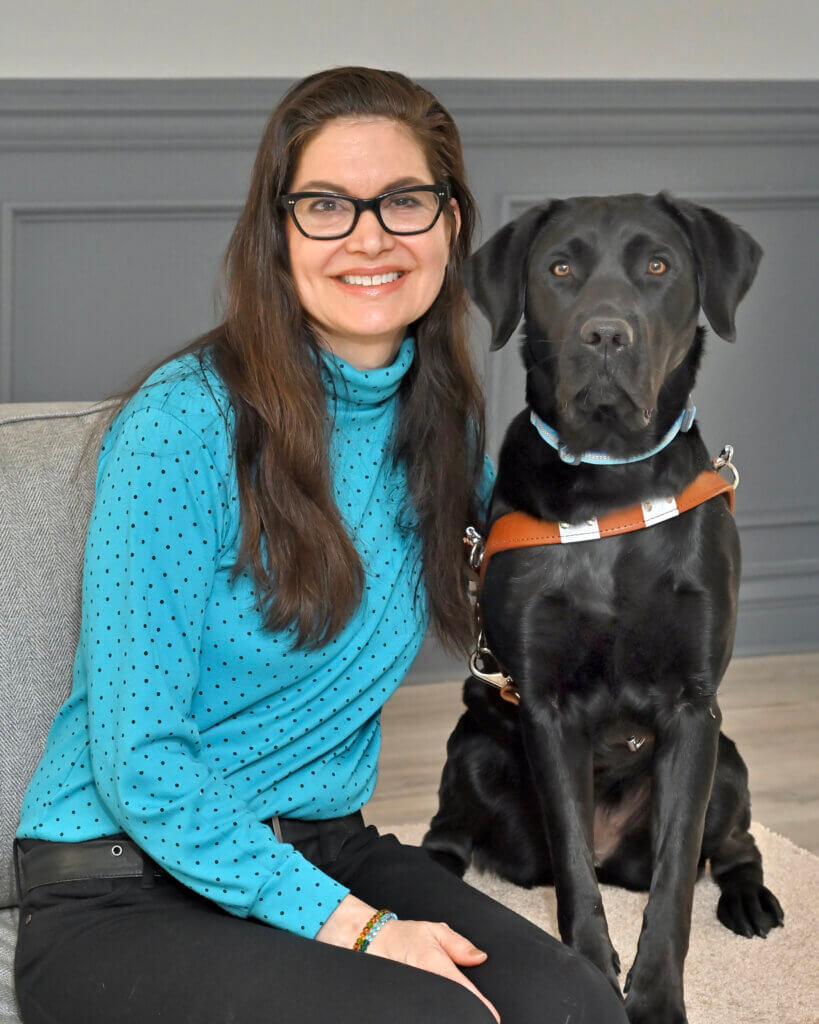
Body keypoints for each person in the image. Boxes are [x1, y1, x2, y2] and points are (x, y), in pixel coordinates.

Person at [13, 66, 628, 1024]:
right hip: (121, 882)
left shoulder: (440, 420)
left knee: (576, 1009)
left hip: (318, 839)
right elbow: (139, 763)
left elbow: (528, 578)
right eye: (326, 206)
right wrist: (360, 929)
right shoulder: (184, 426)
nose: (370, 237)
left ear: (451, 223)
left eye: (404, 201)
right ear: (278, 232)